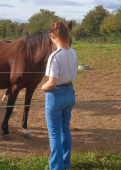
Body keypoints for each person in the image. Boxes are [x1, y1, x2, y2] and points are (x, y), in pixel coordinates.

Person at [42, 21, 78, 170]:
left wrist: (43, 87)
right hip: (70, 92)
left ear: (52, 35)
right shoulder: (73, 52)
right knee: (65, 130)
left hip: (56, 95)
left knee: (54, 134)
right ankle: (65, 164)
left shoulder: (55, 56)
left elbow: (52, 82)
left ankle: (56, 167)